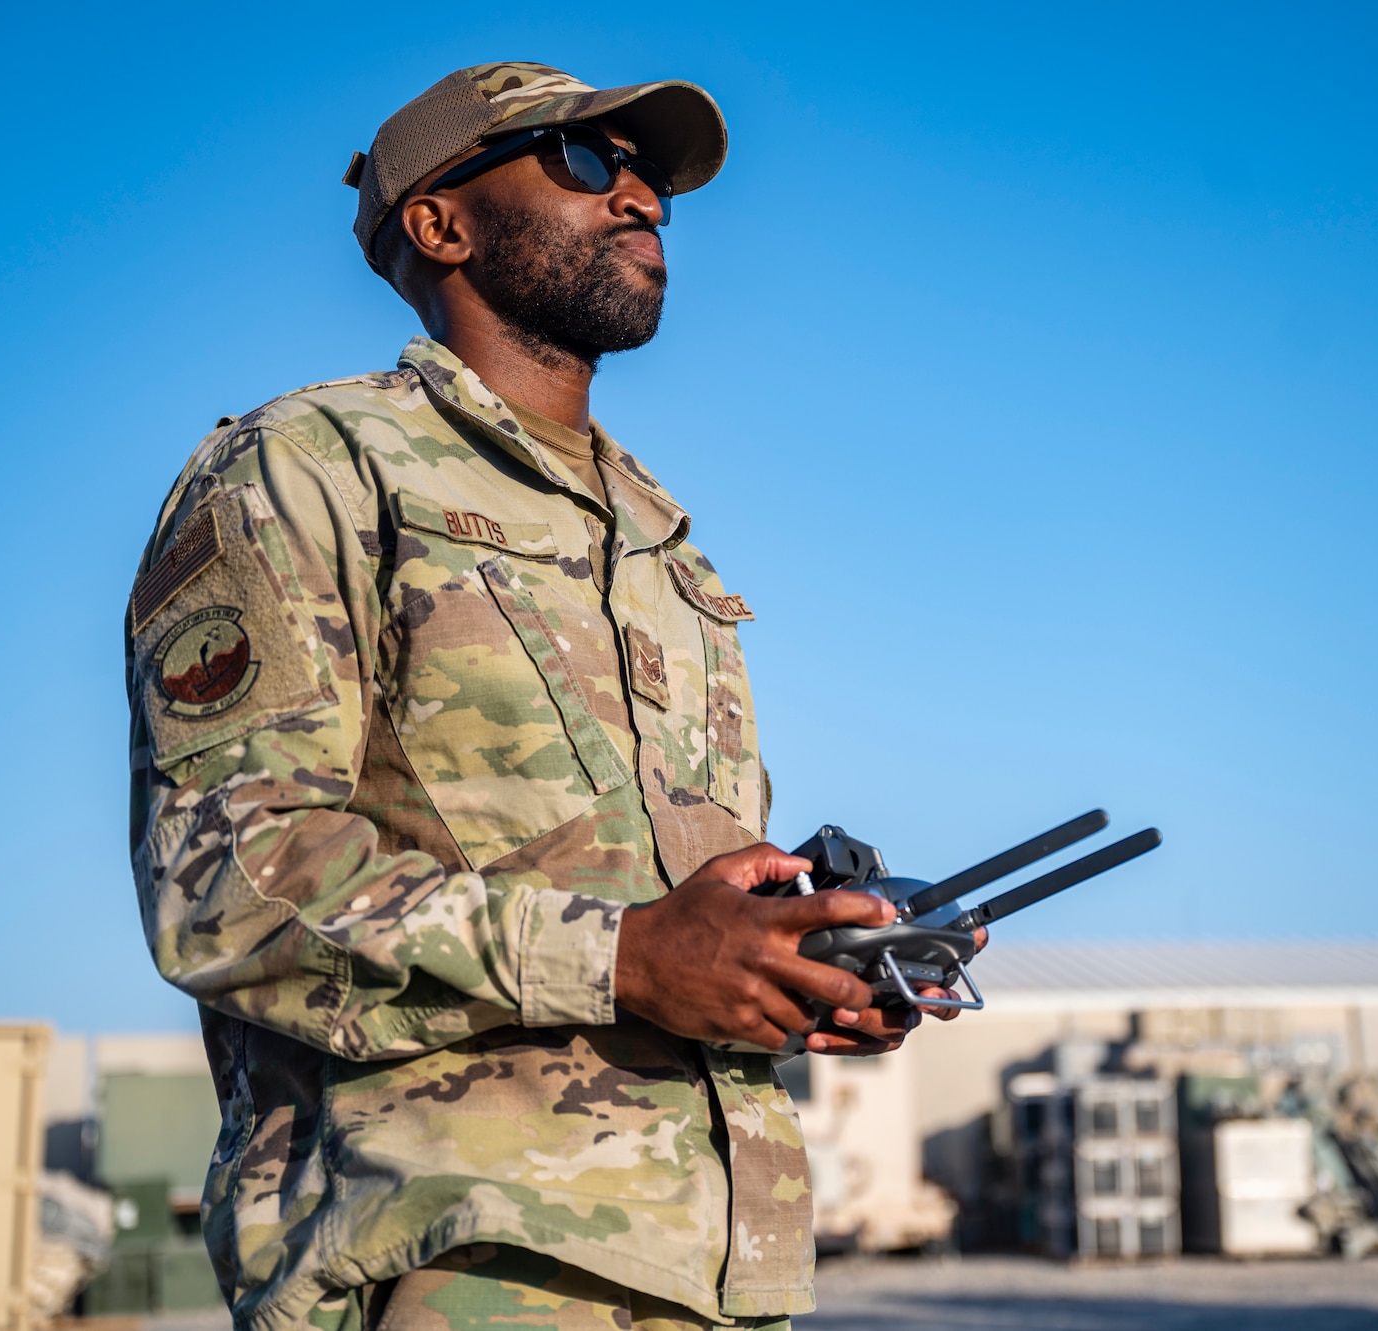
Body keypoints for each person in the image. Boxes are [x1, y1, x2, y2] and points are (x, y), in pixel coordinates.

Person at [124, 62, 966, 1331]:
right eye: (585, 162)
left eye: (651, 178)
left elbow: (678, 908)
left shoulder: (670, 551)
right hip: (460, 1252)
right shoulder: (308, 468)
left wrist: (801, 968)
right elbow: (230, 882)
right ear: (439, 222)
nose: (640, 198)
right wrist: (624, 956)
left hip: (714, 1264)